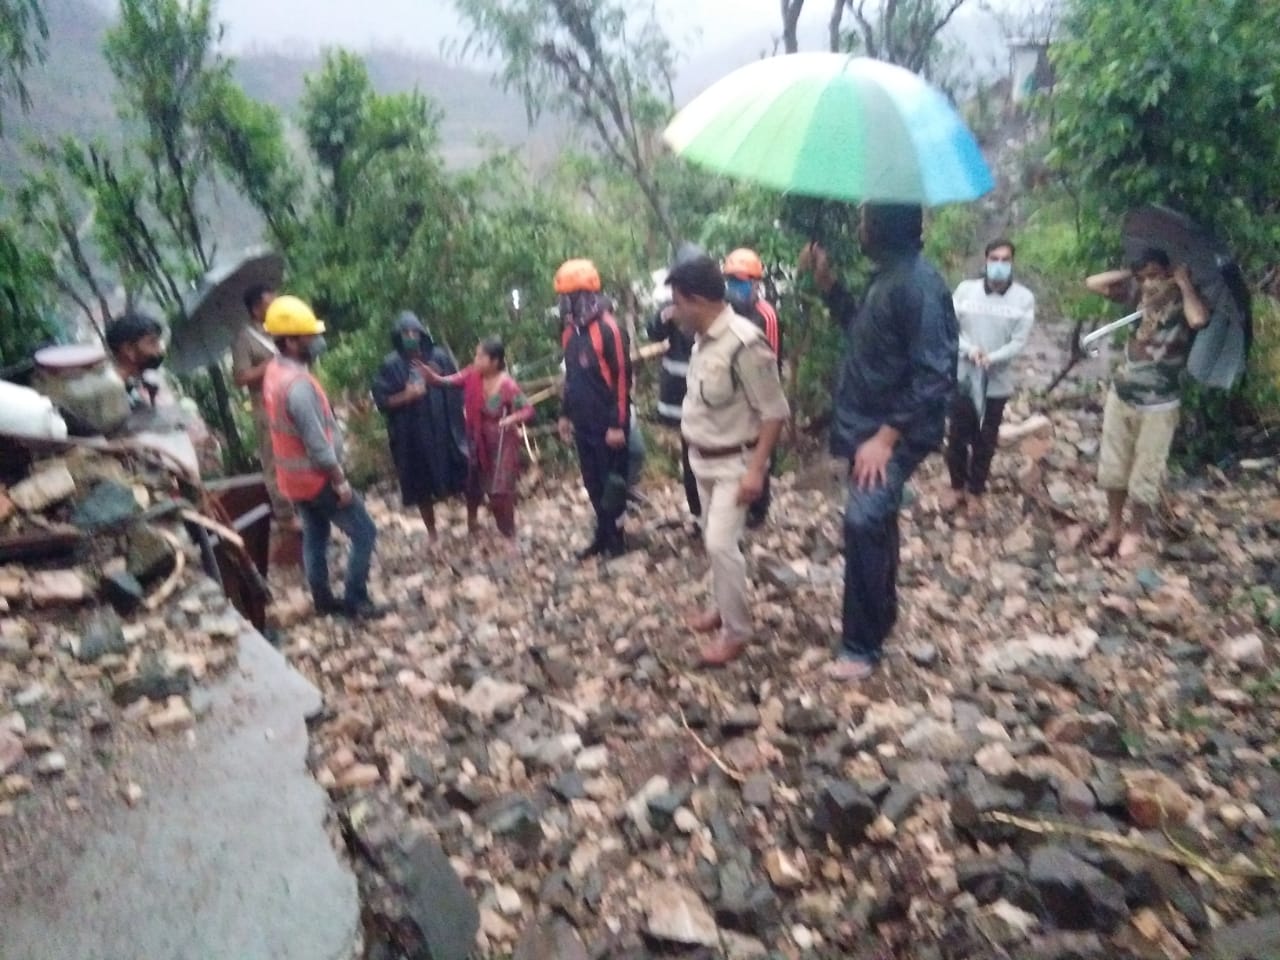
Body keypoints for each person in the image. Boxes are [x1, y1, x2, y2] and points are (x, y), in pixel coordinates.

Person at [797, 204, 958, 681]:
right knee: (878, 519)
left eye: (866, 222)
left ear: (886, 227)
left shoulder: (919, 285)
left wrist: (886, 438)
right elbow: (864, 334)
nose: (860, 230)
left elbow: (936, 373)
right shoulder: (887, 278)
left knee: (864, 521)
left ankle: (861, 647)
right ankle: (881, 616)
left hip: (891, 431)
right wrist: (829, 286)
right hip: (865, 425)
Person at [671, 254, 790, 667]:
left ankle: (736, 631)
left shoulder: (745, 342)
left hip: (734, 463)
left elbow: (774, 411)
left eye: (678, 301)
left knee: (721, 544)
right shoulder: (703, 337)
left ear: (698, 300)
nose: (674, 310)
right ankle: (720, 605)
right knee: (712, 538)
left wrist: (757, 469)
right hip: (702, 459)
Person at [262, 295, 384, 620]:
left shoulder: (274, 373)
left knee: (315, 537)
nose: (316, 342)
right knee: (365, 532)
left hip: (294, 480)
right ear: (289, 342)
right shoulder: (298, 385)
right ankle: (356, 601)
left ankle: (323, 600)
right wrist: (340, 482)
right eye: (308, 337)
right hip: (317, 479)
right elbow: (318, 445)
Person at [1086, 248, 1209, 558]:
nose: (1149, 282)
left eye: (1155, 275)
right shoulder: (1135, 296)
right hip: (1123, 393)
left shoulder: (1182, 303)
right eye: (1145, 276)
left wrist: (1182, 284)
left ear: (1167, 273)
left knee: (1145, 471)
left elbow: (1199, 319)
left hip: (1159, 403)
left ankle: (1135, 530)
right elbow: (1094, 283)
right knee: (1113, 465)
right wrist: (1132, 273)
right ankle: (1113, 527)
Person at [943, 239, 1036, 518]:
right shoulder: (965, 291)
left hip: (996, 383)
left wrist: (992, 357)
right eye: (994, 259)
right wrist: (970, 350)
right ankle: (957, 486)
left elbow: (1019, 342)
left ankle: (976, 491)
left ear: (1012, 263)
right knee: (957, 436)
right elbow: (949, 329)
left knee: (985, 440)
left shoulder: (1024, 298)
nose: (999, 265)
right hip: (963, 377)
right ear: (985, 261)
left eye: (1005, 260)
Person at [421, 336, 534, 551]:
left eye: (480, 356)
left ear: (494, 361)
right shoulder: (472, 375)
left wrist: (511, 419)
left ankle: (509, 534)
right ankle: (488, 526)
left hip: (503, 442)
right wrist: (433, 377)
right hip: (478, 440)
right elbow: (449, 381)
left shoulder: (507, 385)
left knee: (501, 491)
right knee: (481, 488)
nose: (476, 359)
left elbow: (527, 409)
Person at [555, 259, 632, 559]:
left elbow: (623, 380)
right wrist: (564, 414)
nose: (563, 304)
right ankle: (602, 535)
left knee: (613, 484)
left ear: (582, 296)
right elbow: (571, 378)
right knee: (593, 482)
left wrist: (617, 425)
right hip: (584, 423)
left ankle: (618, 539)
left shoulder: (609, 328)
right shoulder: (570, 333)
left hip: (609, 423)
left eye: (567, 297)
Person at [371, 311, 468, 538]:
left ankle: (470, 521)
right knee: (421, 485)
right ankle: (432, 532)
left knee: (459, 473)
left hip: (443, 431)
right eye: (406, 332)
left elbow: (458, 385)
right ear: (398, 335)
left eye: (415, 331)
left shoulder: (439, 357)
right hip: (412, 437)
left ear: (422, 333)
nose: (411, 336)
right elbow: (382, 400)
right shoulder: (391, 365)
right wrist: (405, 395)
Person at [723, 247, 783, 528]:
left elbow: (771, 358)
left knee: (761, 448)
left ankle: (759, 508)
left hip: (759, 391)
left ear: (755, 283)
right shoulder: (725, 312)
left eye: (741, 281)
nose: (735, 287)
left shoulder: (766, 315)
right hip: (732, 394)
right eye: (731, 281)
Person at [231, 285, 299, 530]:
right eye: (271, 303)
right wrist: (271, 363)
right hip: (267, 407)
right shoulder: (244, 338)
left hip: (293, 401)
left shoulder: (281, 330)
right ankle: (285, 516)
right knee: (274, 460)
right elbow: (240, 377)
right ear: (256, 308)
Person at [648, 243, 705, 521]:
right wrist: (663, 317)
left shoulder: (712, 305)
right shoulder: (670, 306)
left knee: (708, 456)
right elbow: (653, 332)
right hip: (679, 397)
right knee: (689, 458)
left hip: (707, 397)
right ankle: (697, 512)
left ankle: (715, 515)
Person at [105, 311, 169, 410]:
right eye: (152, 342)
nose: (159, 350)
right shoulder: (109, 394)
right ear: (128, 349)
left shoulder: (132, 384)